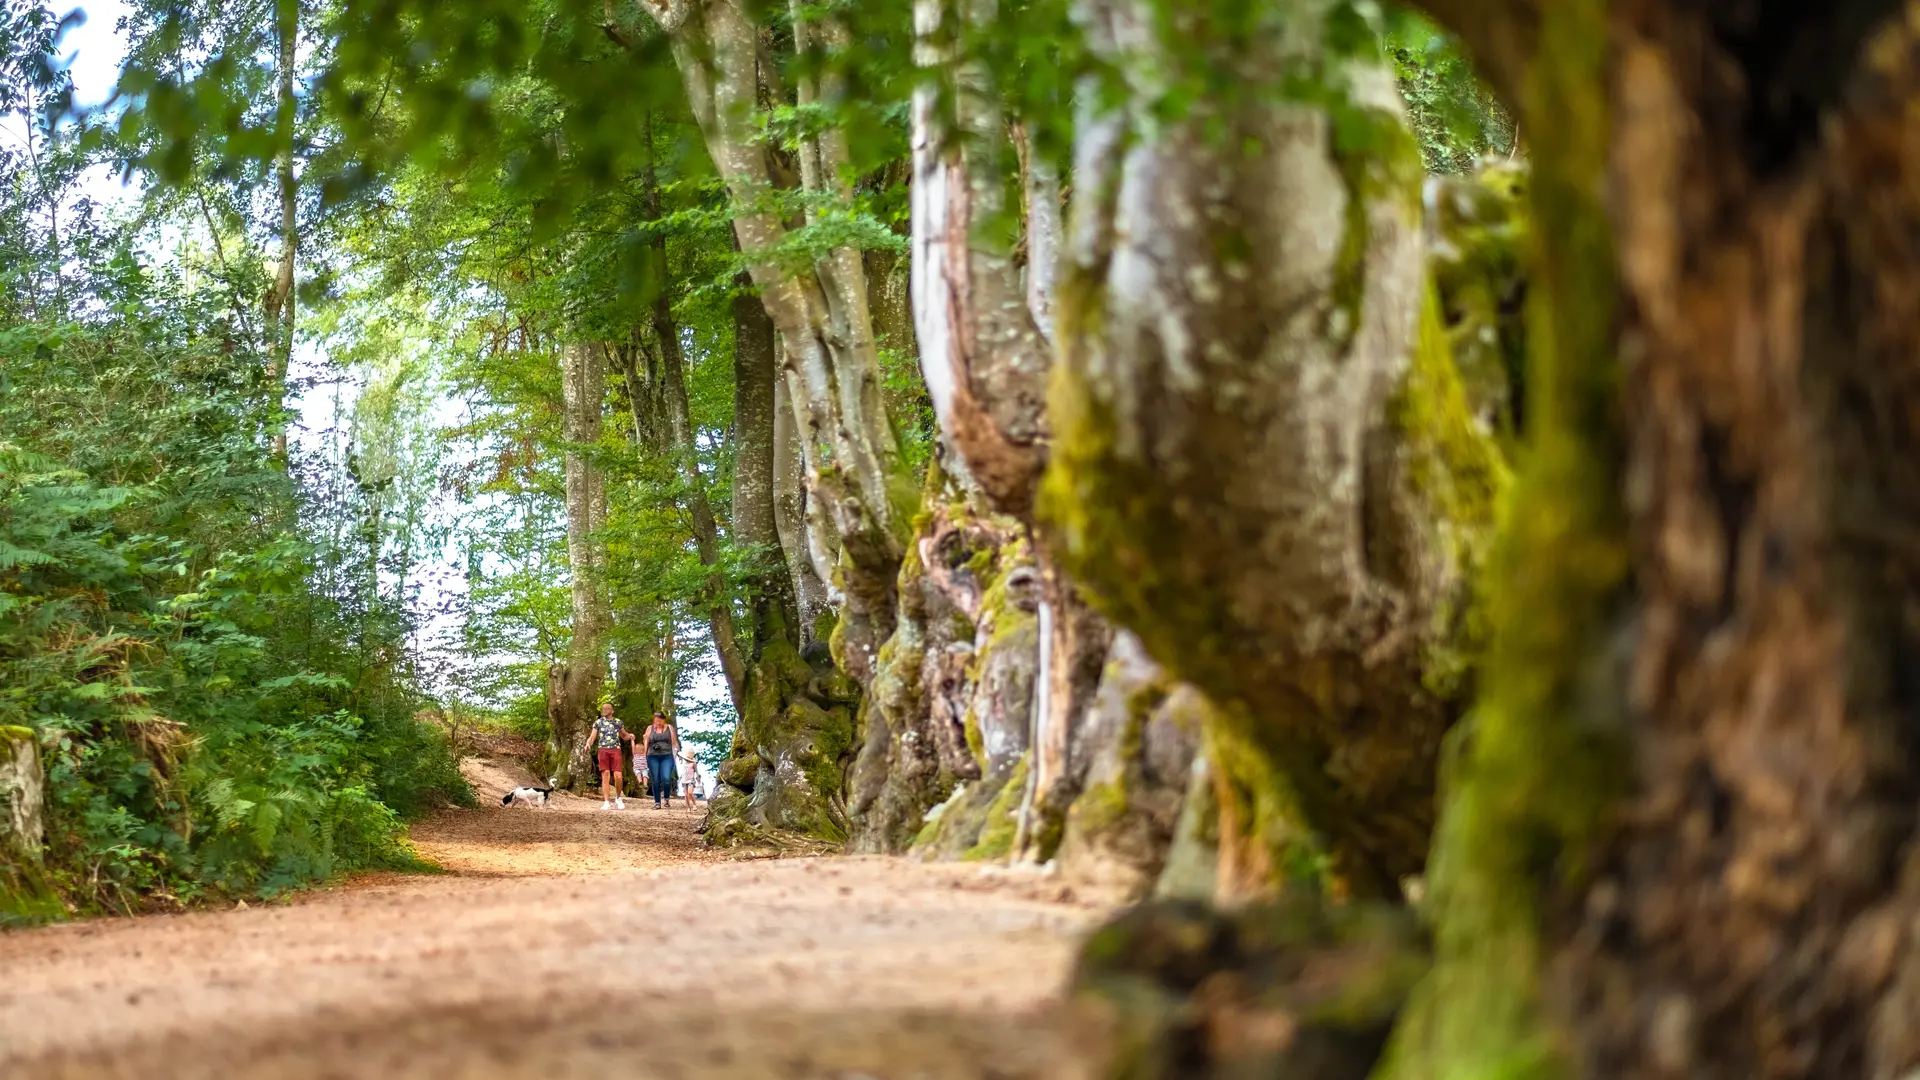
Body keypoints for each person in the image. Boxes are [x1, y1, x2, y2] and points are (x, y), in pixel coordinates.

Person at [581, 703, 632, 811]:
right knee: (606, 774)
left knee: (618, 775)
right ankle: (606, 801)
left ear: (612, 711)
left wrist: (630, 736)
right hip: (603, 749)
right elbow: (592, 736)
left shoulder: (618, 722)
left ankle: (618, 798)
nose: (604, 710)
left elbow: (624, 735)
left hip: (615, 749)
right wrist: (588, 744)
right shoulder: (598, 722)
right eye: (603, 708)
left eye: (607, 708)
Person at [642, 712, 679, 810]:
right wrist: (644, 755)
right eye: (656, 720)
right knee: (655, 779)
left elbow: (674, 741)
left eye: (659, 720)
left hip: (667, 756)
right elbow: (646, 742)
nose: (657, 722)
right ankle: (657, 802)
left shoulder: (669, 728)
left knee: (666, 778)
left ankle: (666, 798)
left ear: (664, 720)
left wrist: (678, 752)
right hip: (653, 756)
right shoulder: (650, 728)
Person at [677, 743, 703, 810]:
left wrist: (698, 776)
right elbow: (679, 754)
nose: (690, 755)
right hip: (684, 779)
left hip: (691, 779)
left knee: (690, 792)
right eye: (689, 754)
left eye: (691, 754)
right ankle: (688, 807)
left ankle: (694, 804)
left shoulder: (693, 762)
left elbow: (696, 771)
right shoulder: (683, 761)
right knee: (686, 794)